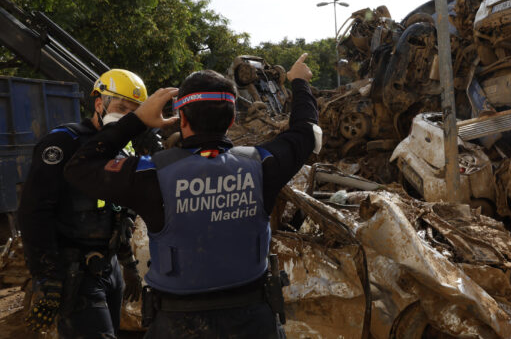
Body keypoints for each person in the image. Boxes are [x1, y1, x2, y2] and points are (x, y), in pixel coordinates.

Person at [63, 53, 318, 338]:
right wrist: (298, 82)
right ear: (232, 118)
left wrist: (136, 120)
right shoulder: (263, 165)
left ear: (181, 117)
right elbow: (307, 132)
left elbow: (78, 168)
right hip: (254, 322)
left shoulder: (150, 174)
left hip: (176, 325)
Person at [18, 69, 147, 337]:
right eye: (121, 107)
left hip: (109, 270)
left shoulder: (125, 150)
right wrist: (47, 276)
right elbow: (34, 213)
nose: (126, 116)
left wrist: (129, 264)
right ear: (99, 103)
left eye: (133, 112)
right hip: (73, 272)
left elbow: (118, 213)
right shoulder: (64, 142)